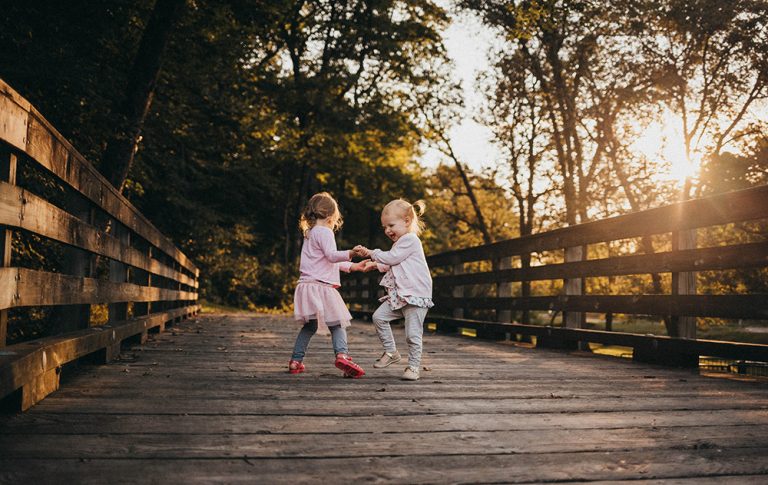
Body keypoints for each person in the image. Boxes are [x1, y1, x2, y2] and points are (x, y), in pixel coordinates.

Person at [289, 192, 368, 378]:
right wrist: (351, 252)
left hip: (306, 286)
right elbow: (333, 256)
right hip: (321, 287)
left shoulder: (310, 233)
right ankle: (342, 355)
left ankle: (295, 361)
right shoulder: (325, 232)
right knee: (338, 324)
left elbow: (327, 260)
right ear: (331, 215)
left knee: (309, 327)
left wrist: (353, 266)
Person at [354, 199, 433, 381]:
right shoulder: (400, 243)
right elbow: (395, 263)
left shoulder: (411, 240)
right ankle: (391, 352)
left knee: (412, 334)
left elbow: (392, 258)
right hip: (401, 295)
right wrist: (376, 265)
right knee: (379, 317)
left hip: (416, 295)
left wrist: (370, 252)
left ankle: (413, 367)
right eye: (384, 227)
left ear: (406, 221)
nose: (387, 230)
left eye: (391, 225)